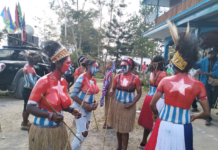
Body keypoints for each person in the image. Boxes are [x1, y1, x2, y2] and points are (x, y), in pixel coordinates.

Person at [144, 21, 210, 150]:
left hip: (163, 123)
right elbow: (207, 112)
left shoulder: (165, 81)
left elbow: (152, 104)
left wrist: (155, 113)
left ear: (173, 65)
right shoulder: (199, 85)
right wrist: (195, 116)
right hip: (184, 125)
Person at [26, 40, 81, 150]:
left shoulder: (63, 82)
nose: (71, 67)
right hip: (43, 131)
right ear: (57, 63)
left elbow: (60, 105)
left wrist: (70, 110)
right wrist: (50, 116)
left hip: (58, 130)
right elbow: (29, 107)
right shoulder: (43, 82)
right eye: (68, 63)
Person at [109, 58, 142, 150]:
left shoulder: (136, 79)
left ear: (130, 66)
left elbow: (139, 93)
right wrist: (111, 91)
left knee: (124, 129)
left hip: (128, 106)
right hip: (117, 105)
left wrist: (132, 104)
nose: (122, 68)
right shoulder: (117, 77)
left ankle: (124, 148)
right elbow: (113, 88)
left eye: (124, 66)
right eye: (121, 66)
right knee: (118, 127)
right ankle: (119, 146)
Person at [138, 55, 167, 149]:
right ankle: (153, 144)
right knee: (156, 123)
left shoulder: (151, 73)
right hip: (157, 100)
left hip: (148, 98)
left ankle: (143, 141)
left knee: (147, 122)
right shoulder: (163, 74)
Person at [71, 59, 99, 150]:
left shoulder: (93, 80)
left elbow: (92, 94)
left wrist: (95, 103)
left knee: (85, 132)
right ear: (88, 67)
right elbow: (73, 95)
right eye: (95, 67)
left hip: (89, 108)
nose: (97, 70)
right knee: (82, 132)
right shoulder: (81, 78)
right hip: (79, 107)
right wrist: (85, 105)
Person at [193, 47, 218, 125]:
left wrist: (204, 73)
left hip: (215, 84)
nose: (210, 55)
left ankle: (208, 113)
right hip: (206, 84)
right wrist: (192, 60)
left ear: (216, 54)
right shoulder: (205, 60)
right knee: (208, 100)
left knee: (213, 100)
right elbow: (196, 66)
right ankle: (208, 117)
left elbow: (216, 74)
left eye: (212, 53)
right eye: (209, 53)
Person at [21, 52, 41, 130]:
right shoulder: (29, 68)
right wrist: (36, 89)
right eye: (37, 59)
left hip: (26, 89)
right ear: (33, 59)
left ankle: (25, 121)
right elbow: (31, 81)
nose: (37, 61)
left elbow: (34, 76)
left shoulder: (28, 66)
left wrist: (42, 78)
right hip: (28, 90)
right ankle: (25, 124)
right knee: (27, 107)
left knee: (27, 106)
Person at [100, 60, 115, 129]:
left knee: (110, 107)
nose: (107, 65)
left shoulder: (112, 74)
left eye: (108, 64)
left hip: (110, 93)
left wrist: (111, 91)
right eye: (107, 63)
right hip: (106, 92)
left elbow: (112, 84)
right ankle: (107, 123)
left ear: (112, 65)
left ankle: (108, 122)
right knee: (107, 107)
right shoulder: (107, 73)